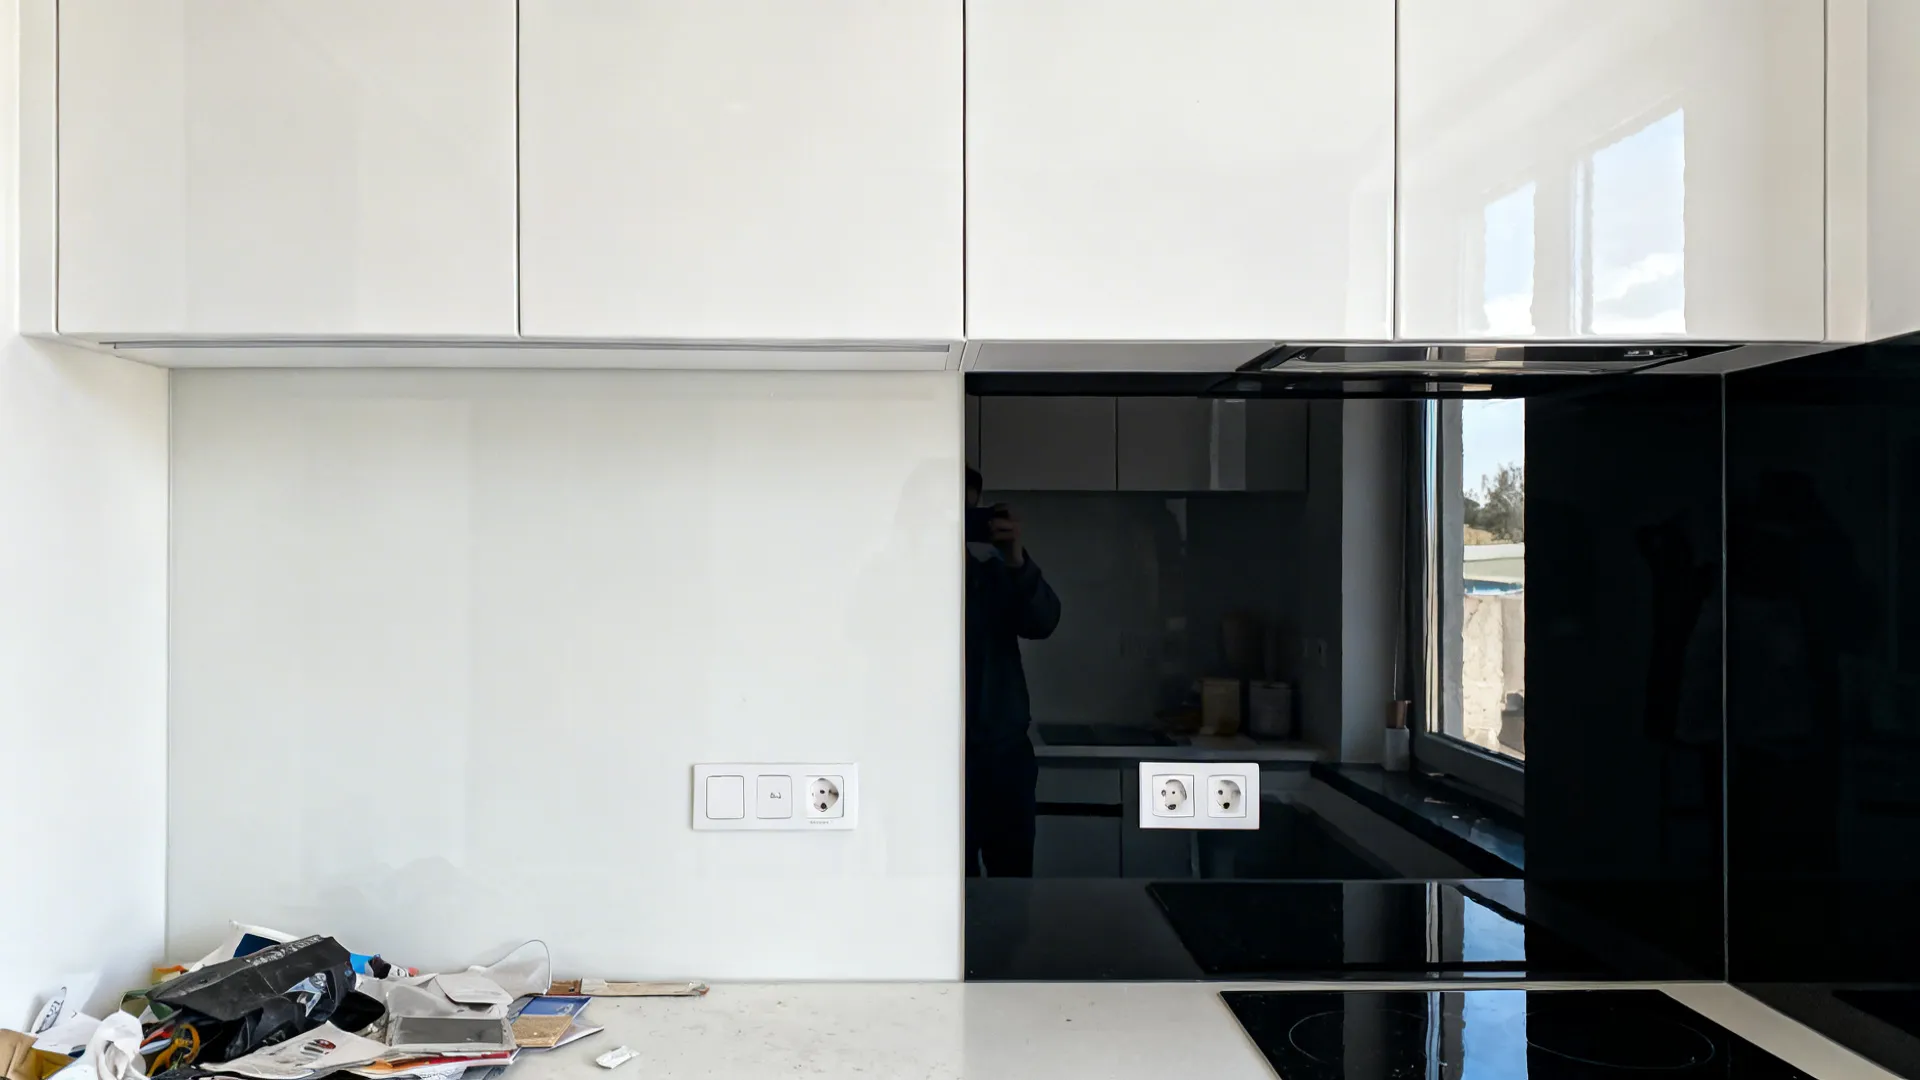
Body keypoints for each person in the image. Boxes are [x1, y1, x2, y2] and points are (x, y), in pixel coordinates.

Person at [965, 467, 1061, 877]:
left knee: (1013, 890)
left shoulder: (993, 577)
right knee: (940, 891)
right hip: (927, 761)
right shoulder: (897, 577)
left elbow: (1043, 622)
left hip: (1002, 758)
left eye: (971, 514)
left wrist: (1017, 560)